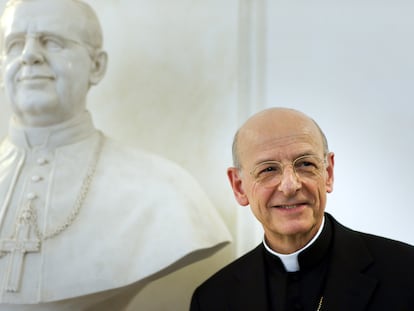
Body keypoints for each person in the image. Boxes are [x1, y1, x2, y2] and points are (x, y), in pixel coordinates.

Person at [0, 0, 231, 310]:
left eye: (51, 42)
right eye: (15, 44)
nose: (29, 55)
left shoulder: (163, 190)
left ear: (97, 66)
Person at [190, 107, 414, 310]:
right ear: (239, 187)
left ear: (328, 173)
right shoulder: (213, 299)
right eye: (268, 169)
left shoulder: (406, 272)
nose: (290, 185)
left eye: (305, 164)